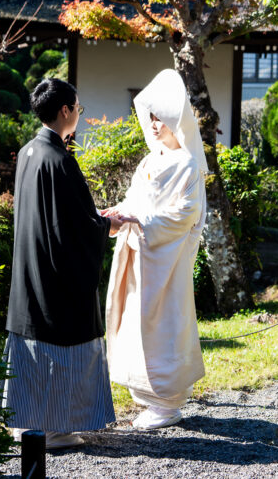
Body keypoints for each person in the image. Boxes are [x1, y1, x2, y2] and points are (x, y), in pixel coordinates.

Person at [3, 78, 131, 449]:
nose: (78, 114)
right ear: (65, 110)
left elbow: (55, 216)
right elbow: (72, 227)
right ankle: (56, 428)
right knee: (61, 346)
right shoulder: (60, 159)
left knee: (30, 348)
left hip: (30, 267)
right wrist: (106, 224)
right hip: (56, 275)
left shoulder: (30, 152)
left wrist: (95, 219)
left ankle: (22, 422)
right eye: (78, 108)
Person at [102, 69, 208, 430]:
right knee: (135, 319)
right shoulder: (150, 160)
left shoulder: (188, 165)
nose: (153, 124)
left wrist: (138, 217)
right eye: (150, 117)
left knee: (164, 322)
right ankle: (146, 396)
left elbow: (185, 214)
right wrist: (119, 211)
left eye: (160, 117)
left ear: (176, 121)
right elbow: (136, 199)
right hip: (139, 255)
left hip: (166, 258)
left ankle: (167, 402)